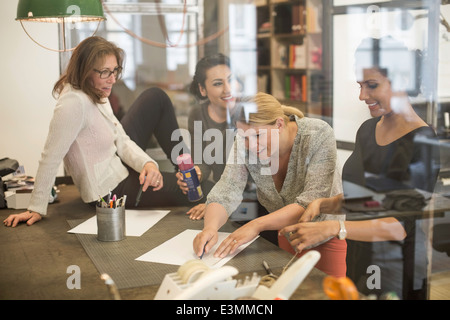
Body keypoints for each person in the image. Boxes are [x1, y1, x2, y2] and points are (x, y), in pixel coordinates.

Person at [280, 36, 440, 299]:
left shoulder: (422, 142)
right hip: (358, 256)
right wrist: (324, 205)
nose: (362, 95)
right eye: (360, 85)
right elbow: (369, 199)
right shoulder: (367, 129)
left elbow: (398, 225)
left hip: (394, 269)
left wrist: (334, 228)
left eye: (372, 85)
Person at [3, 36, 190, 228]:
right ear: (85, 71)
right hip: (109, 190)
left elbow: (121, 138)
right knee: (197, 191)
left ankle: (187, 170)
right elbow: (50, 157)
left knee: (155, 97)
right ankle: (190, 181)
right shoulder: (73, 104)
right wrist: (36, 208)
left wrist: (148, 164)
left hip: (116, 161)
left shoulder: (97, 89)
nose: (113, 79)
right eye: (105, 72)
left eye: (115, 70)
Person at [193, 92, 347, 278]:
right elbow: (227, 189)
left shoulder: (317, 134)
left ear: (279, 124)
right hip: (285, 235)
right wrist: (210, 228)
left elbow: (311, 201)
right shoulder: (244, 143)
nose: (251, 145)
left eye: (257, 135)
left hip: (324, 235)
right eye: (245, 137)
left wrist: (256, 225)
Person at [176, 54, 240, 220]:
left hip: (245, 198)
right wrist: (196, 172)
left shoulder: (248, 112)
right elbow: (203, 161)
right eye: (218, 83)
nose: (228, 89)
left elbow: (249, 179)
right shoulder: (198, 113)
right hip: (221, 193)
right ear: (202, 89)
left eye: (231, 80)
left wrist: (216, 202)